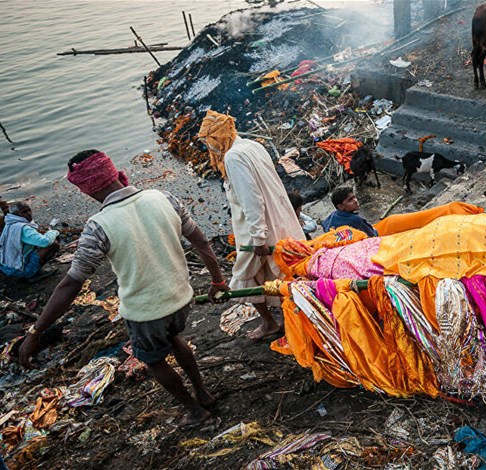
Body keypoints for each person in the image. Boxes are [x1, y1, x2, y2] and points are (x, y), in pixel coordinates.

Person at [18, 150, 229, 427]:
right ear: (112, 173)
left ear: (87, 188)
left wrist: (36, 331)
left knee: (154, 360)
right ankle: (203, 393)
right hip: (181, 297)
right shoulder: (163, 197)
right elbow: (201, 243)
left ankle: (195, 410)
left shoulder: (99, 226)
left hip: (145, 311)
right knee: (175, 338)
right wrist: (217, 281)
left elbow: (71, 283)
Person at [198, 111, 304, 340]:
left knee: (244, 277)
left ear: (218, 137)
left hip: (257, 230)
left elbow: (251, 198)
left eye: (209, 140)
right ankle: (284, 324)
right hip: (278, 219)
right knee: (278, 274)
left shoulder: (233, 157)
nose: (209, 147)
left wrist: (257, 238)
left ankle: (274, 324)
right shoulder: (252, 145)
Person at [0, 201, 60, 279]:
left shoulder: (9, 224)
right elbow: (45, 242)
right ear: (17, 214)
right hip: (19, 270)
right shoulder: (23, 228)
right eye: (24, 212)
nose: (29, 213)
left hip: (6, 267)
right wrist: (54, 232)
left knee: (36, 243)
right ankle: (34, 274)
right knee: (53, 244)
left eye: (29, 210)